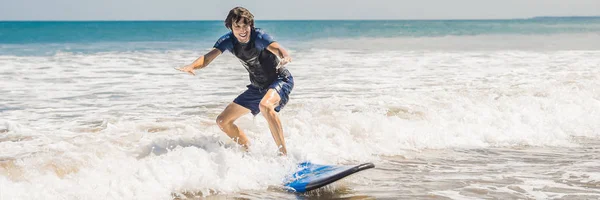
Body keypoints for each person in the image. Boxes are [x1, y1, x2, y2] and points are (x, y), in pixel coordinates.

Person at [177, 7, 294, 155]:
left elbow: (277, 48)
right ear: (230, 27)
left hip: (280, 79)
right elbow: (207, 58)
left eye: (245, 25)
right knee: (222, 121)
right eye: (237, 26)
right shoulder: (228, 41)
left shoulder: (259, 36)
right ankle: (250, 151)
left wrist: (285, 56)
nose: (242, 30)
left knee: (265, 106)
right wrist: (192, 66)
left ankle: (284, 156)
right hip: (258, 87)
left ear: (250, 25)